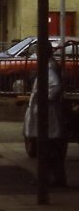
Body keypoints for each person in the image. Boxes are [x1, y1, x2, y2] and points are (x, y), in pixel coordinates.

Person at [24, 40, 68, 186]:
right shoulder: (49, 66)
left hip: (47, 114)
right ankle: (54, 177)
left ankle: (48, 178)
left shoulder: (48, 68)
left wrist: (45, 99)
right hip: (48, 113)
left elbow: (55, 86)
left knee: (48, 148)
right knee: (51, 149)